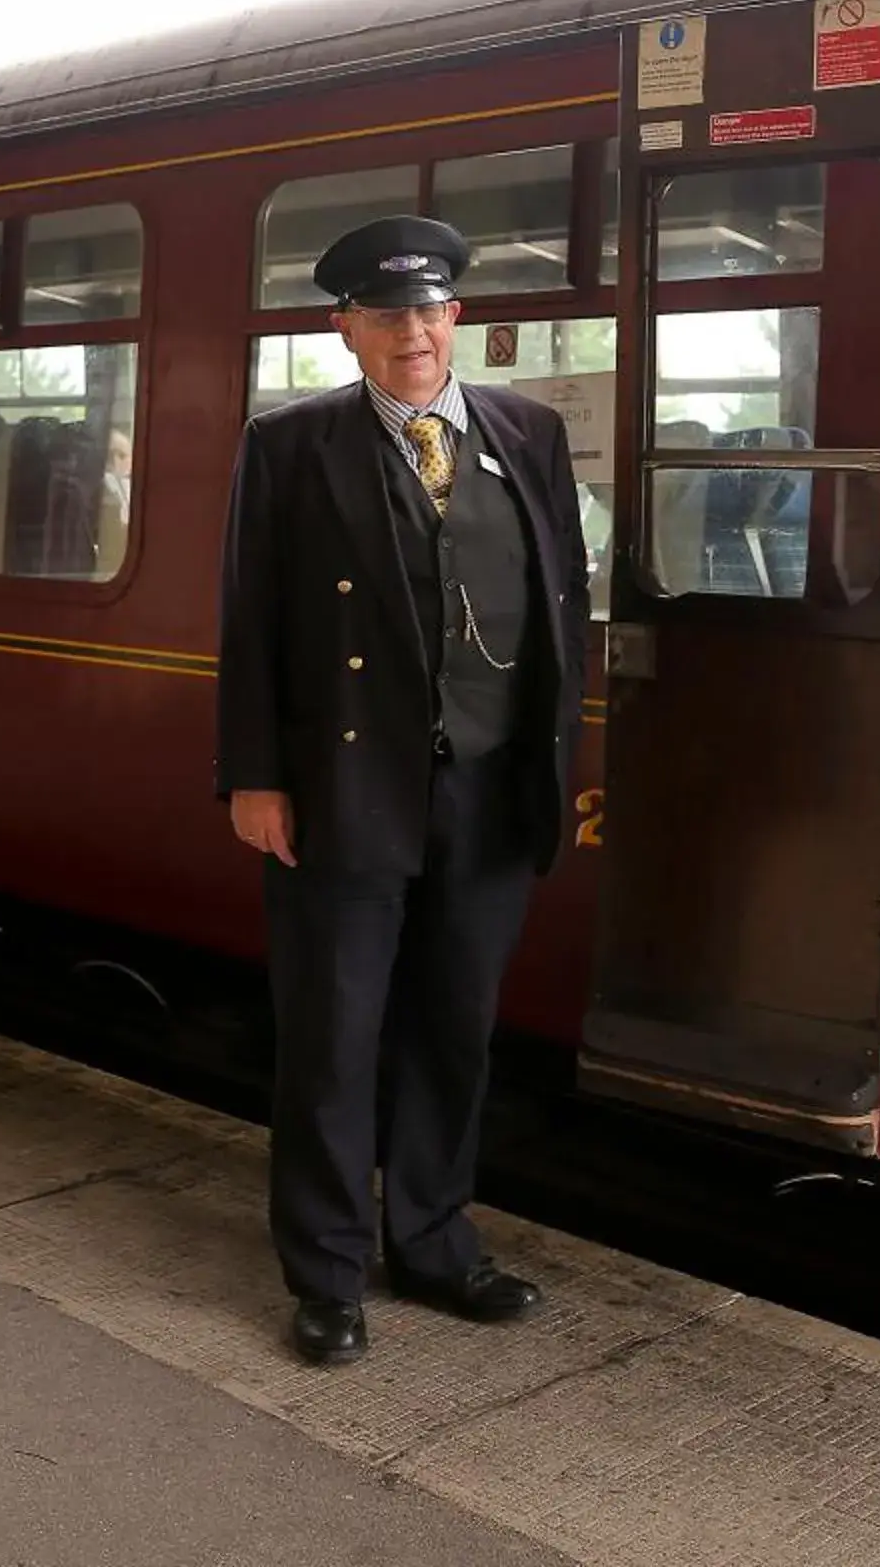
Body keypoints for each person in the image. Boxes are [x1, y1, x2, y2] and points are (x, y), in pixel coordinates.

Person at [215, 214, 592, 1367]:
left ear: (458, 320)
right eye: (386, 316)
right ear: (348, 331)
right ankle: (328, 1272)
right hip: (342, 791)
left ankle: (431, 1241)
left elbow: (561, 603)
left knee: (453, 1030)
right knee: (333, 1037)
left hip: (484, 790)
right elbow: (253, 623)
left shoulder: (527, 433)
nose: (413, 333)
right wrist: (255, 777)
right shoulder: (290, 446)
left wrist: (553, 765)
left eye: (429, 312)